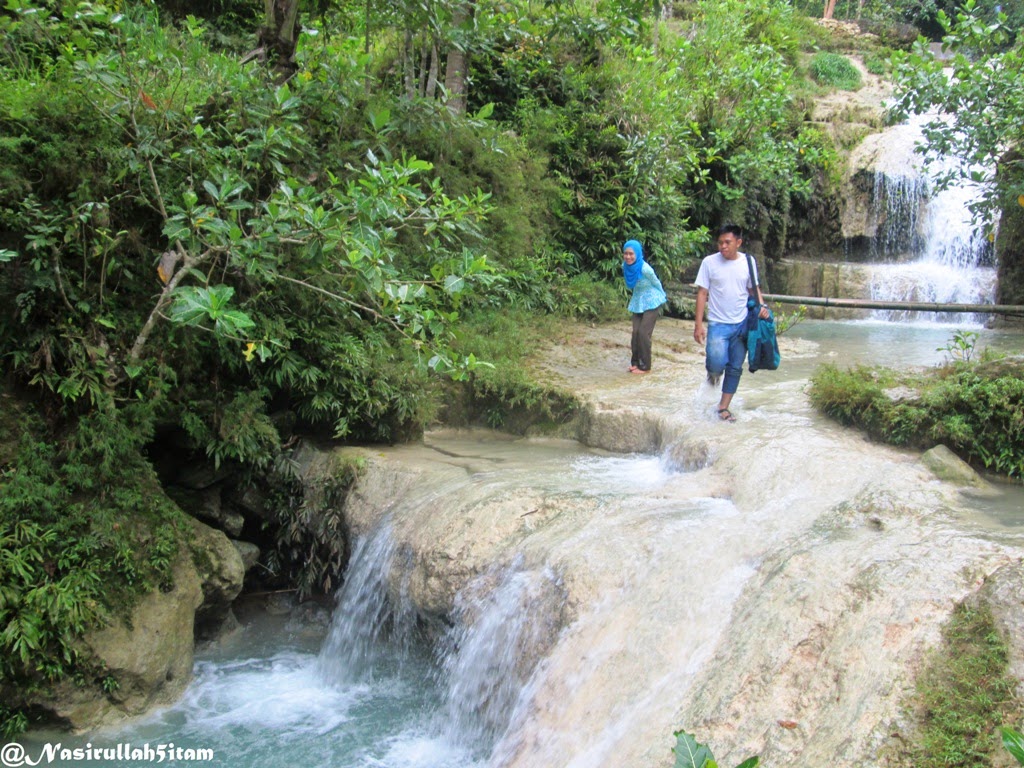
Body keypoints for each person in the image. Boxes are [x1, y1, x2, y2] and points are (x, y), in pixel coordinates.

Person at [693, 224, 770, 421]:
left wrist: (762, 307)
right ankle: (713, 373)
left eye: (727, 242)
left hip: (742, 323)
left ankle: (723, 407)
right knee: (717, 362)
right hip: (718, 324)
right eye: (720, 243)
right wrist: (698, 324)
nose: (723, 246)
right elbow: (702, 293)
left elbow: (754, 289)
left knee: (735, 367)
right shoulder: (709, 263)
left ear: (738, 242)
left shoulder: (749, 262)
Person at [622, 239, 667, 374]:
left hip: (652, 300)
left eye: (631, 254)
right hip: (638, 300)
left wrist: (662, 296)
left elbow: (656, 282)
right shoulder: (624, 266)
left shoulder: (644, 268)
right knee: (635, 332)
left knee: (643, 333)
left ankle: (645, 366)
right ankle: (635, 363)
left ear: (637, 254)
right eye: (626, 254)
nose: (628, 257)